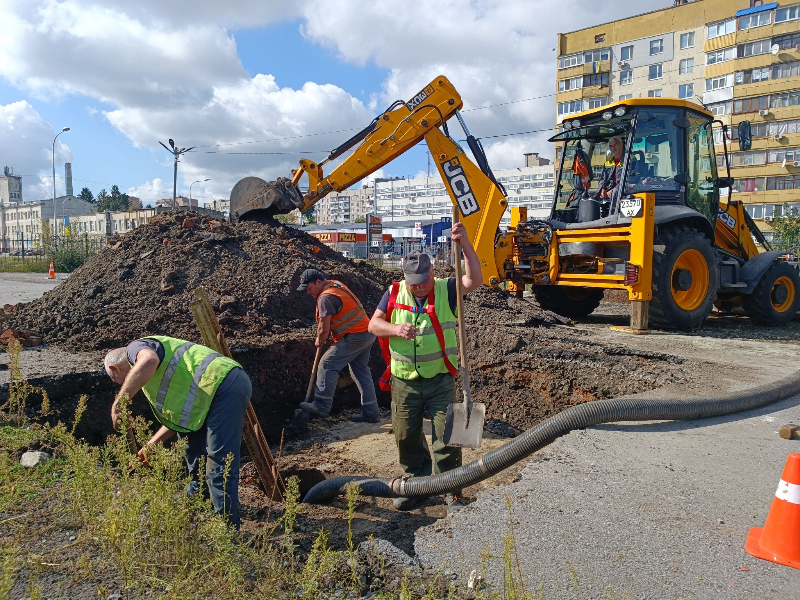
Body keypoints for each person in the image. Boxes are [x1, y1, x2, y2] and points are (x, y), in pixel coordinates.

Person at [368, 221, 482, 514]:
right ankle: (417, 486)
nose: (418, 286)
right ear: (404, 277)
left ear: (432, 272)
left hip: (440, 378)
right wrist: (394, 329)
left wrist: (466, 244)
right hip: (404, 380)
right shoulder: (394, 292)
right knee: (406, 435)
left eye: (423, 279)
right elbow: (373, 325)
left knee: (447, 437)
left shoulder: (447, 288)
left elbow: (475, 279)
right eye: (413, 281)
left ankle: (450, 491)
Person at [104, 336, 251, 529]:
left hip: (224, 385)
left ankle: (227, 531)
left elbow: (149, 360)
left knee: (219, 462)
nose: (121, 385)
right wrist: (149, 447)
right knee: (193, 450)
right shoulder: (153, 381)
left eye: (116, 381)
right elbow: (179, 421)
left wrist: (119, 402)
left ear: (115, 369)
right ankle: (197, 506)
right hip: (208, 394)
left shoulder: (136, 349)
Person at [297, 268, 379, 423]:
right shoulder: (336, 285)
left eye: (309, 288)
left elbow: (323, 328)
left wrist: (319, 339)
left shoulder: (325, 298)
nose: (308, 292)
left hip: (355, 337)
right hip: (367, 333)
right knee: (360, 371)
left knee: (327, 364)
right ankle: (371, 412)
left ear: (318, 282)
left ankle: (322, 404)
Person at [596, 135, 625, 202]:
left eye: (615, 145)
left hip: (623, 190)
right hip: (609, 190)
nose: (613, 148)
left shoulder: (630, 160)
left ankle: (612, 212)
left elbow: (629, 180)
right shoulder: (608, 163)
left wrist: (613, 190)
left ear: (621, 145)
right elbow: (602, 179)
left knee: (614, 192)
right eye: (611, 146)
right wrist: (602, 189)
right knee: (588, 195)